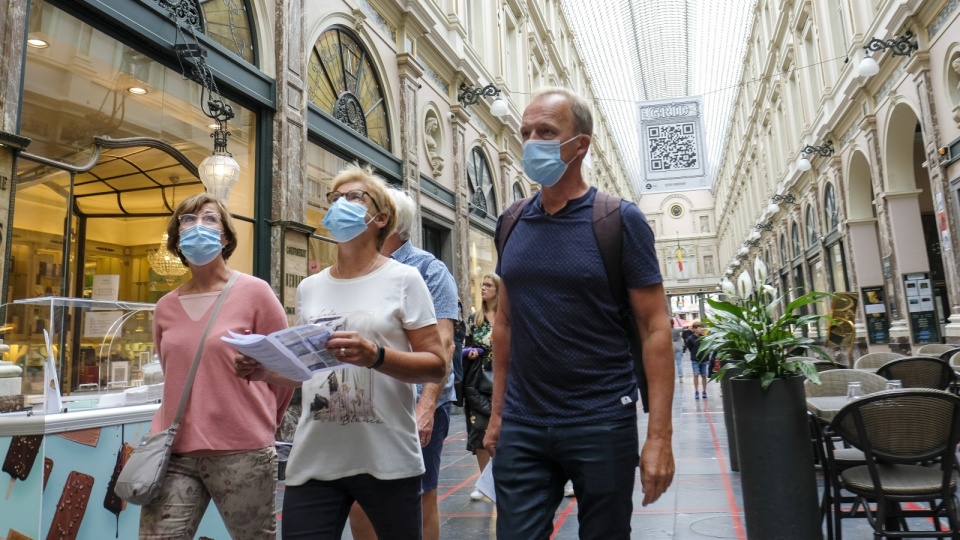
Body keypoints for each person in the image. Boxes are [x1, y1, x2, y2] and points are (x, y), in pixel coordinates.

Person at [484, 87, 675, 539]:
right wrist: (497, 415)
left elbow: (655, 328)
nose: (531, 142)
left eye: (546, 132)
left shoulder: (617, 220)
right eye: (526, 132)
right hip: (524, 422)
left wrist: (659, 436)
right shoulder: (510, 221)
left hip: (601, 418)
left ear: (581, 144)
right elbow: (506, 324)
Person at [235, 165, 446, 540]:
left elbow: (435, 365)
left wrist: (376, 355)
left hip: (387, 457)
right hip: (316, 457)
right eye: (334, 198)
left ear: (381, 217)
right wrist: (264, 370)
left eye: (353, 197)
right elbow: (306, 370)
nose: (339, 205)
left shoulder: (404, 279)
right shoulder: (311, 288)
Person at [140, 193, 294, 539]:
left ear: (225, 237)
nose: (197, 227)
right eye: (187, 220)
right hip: (175, 449)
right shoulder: (165, 307)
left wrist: (263, 421)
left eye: (210, 219)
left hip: (242, 450)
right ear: (177, 238)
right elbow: (173, 375)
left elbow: (288, 374)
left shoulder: (256, 293)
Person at [348, 187, 458, 540]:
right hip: (365, 400)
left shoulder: (428, 269)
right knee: (359, 498)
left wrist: (426, 405)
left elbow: (443, 343)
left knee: (420, 495)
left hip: (416, 403)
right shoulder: (355, 269)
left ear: (388, 220)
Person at [463, 272, 499, 500]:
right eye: (482, 285)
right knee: (479, 430)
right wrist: (473, 352)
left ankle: (500, 478)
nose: (483, 288)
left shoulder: (508, 316)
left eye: (488, 285)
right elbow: (462, 349)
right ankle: (485, 483)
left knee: (504, 430)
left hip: (505, 380)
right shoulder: (474, 319)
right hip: (478, 382)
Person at [686, 320, 708, 399]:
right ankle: (696, 391)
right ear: (694, 329)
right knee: (695, 374)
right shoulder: (690, 338)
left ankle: (704, 391)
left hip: (703, 359)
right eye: (699, 328)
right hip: (695, 359)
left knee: (704, 375)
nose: (701, 329)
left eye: (701, 328)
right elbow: (689, 347)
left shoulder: (704, 338)